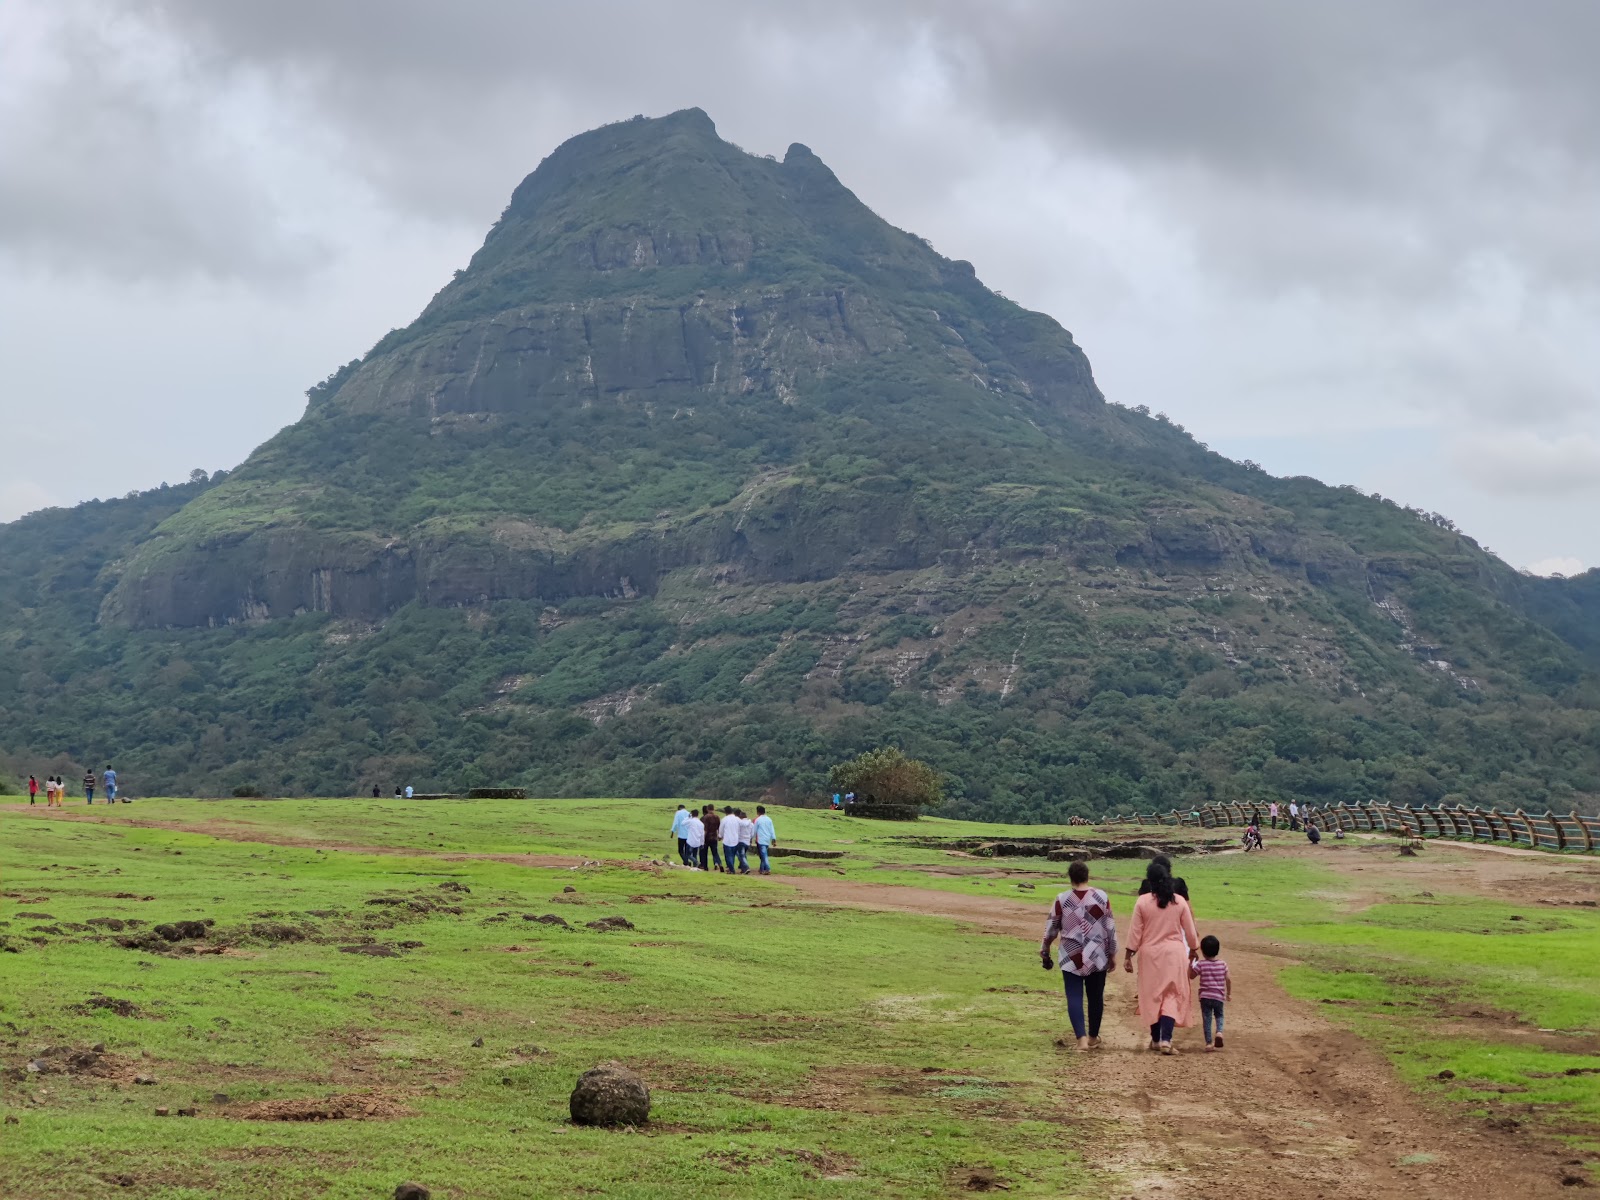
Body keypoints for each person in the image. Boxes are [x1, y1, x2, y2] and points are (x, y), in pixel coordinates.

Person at [1040, 860, 1118, 1053]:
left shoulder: (1062, 899)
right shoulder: (1101, 897)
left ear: (1071, 878)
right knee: (1095, 997)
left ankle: (1081, 1040)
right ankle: (1093, 1037)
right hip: (1097, 953)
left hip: (1071, 954)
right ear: (1087, 876)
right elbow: (1110, 927)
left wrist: (1045, 949)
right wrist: (1112, 953)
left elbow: (1051, 929)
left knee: (1074, 996)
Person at [1125, 862, 1200, 1055]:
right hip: (1174, 954)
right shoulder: (1179, 901)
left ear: (1149, 881)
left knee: (1153, 995)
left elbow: (1135, 932)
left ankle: (1156, 1039)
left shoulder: (1142, 902)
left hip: (1150, 955)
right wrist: (1194, 948)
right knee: (1172, 995)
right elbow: (1190, 931)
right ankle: (1166, 1039)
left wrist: (1128, 955)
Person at [1190, 934, 1231, 1051]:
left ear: (1203, 951)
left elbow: (1191, 976)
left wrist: (1191, 961)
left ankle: (1208, 1043)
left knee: (1207, 1019)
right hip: (1219, 996)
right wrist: (1229, 993)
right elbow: (1228, 979)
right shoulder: (1223, 964)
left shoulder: (1201, 964)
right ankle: (1219, 1032)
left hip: (1205, 997)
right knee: (1219, 1015)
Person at [720, 805, 745, 874]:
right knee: (732, 855)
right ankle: (731, 868)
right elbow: (743, 825)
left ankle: (731, 869)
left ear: (725, 812)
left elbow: (721, 830)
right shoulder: (737, 819)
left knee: (728, 856)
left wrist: (720, 836)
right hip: (735, 839)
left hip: (727, 840)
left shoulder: (724, 819)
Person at [753, 805, 776, 874]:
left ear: (758, 812)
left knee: (764, 855)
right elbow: (772, 830)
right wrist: (773, 839)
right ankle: (761, 869)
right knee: (763, 854)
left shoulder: (758, 820)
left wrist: (751, 838)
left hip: (760, 839)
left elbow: (754, 830)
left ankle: (767, 869)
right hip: (767, 839)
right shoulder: (769, 819)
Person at [701, 805, 723, 872]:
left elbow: (705, 829)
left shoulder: (706, 817)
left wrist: (703, 838)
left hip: (707, 837)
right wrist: (719, 836)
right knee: (715, 853)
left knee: (704, 853)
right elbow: (719, 828)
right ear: (714, 809)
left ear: (707, 809)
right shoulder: (717, 817)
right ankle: (720, 864)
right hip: (714, 837)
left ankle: (705, 867)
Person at [687, 805, 708, 870]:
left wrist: (688, 818)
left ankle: (696, 862)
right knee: (695, 854)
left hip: (691, 841)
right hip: (698, 841)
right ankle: (695, 866)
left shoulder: (691, 821)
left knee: (687, 854)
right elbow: (702, 834)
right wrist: (702, 843)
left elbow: (683, 823)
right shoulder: (701, 823)